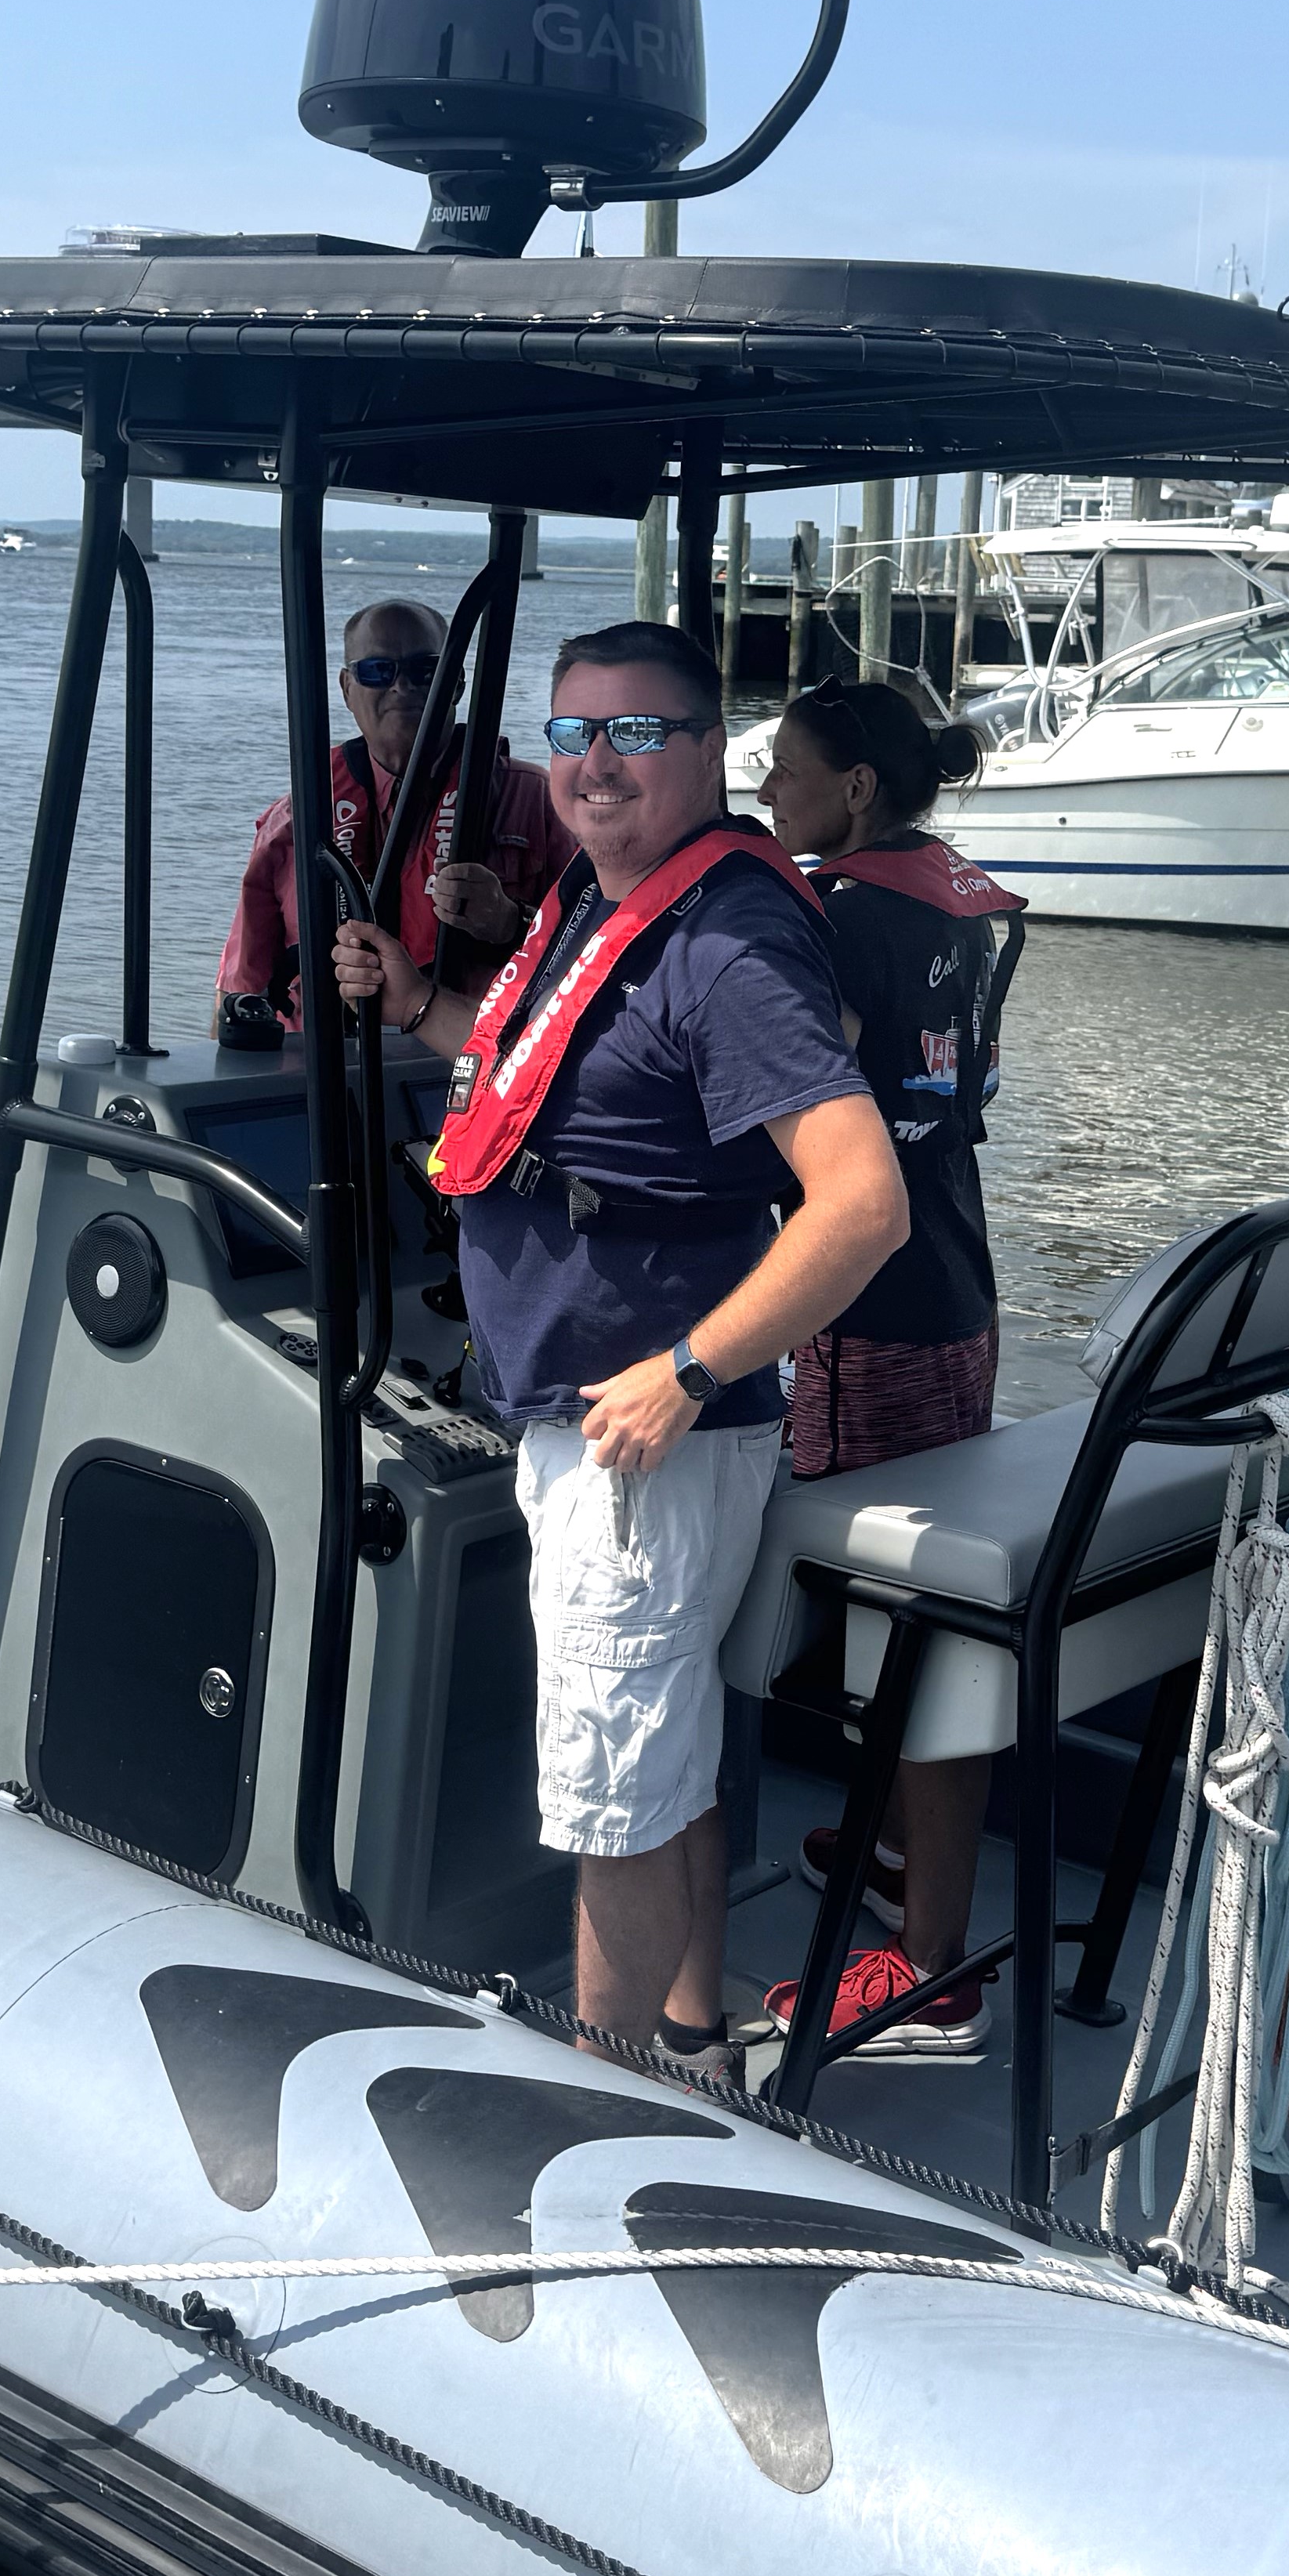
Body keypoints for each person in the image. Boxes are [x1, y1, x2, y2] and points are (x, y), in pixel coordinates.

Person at [330, 621, 904, 2062]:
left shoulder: (725, 944)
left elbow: (862, 1201)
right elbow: (534, 1066)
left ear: (711, 753)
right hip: (591, 1421)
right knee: (666, 1765)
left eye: (636, 734)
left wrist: (687, 1368)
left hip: (641, 1439)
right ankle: (691, 2039)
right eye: (573, 732)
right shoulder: (611, 901)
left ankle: (602, 2093)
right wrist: (410, 997)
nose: (595, 763)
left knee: (613, 1803)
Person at [744, 679, 1028, 2063]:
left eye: (788, 769)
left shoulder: (840, 912)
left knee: (907, 1633)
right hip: (961, 1281)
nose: (769, 784)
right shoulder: (961, 898)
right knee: (922, 1616)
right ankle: (915, 1864)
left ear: (857, 786)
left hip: (870, 1306)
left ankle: (931, 1966)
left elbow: (806, 1097)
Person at [219, 596, 570, 1041]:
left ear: (458, 685)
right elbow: (240, 991)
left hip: (470, 1073)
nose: (401, 687)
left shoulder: (540, 801)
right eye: (378, 671)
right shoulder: (298, 815)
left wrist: (508, 922)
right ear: (347, 688)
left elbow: (601, 956)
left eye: (426, 671)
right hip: (327, 1077)